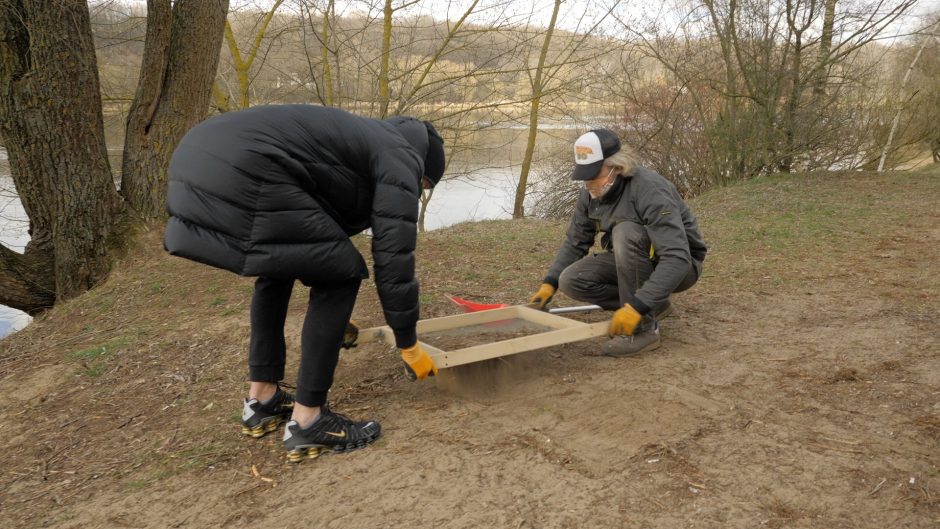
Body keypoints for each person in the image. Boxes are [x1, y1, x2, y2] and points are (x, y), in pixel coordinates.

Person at [164, 104, 444, 462]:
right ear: (425, 168)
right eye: (422, 186)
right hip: (249, 163)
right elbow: (394, 257)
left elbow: (316, 236)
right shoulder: (402, 155)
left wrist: (335, 321)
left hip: (198, 155)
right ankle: (309, 419)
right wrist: (409, 344)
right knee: (342, 274)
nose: (417, 191)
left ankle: (262, 399)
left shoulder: (363, 140)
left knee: (277, 266)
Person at [529, 129, 707, 356]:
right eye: (585, 175)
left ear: (617, 167)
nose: (589, 183)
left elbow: (677, 258)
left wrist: (636, 307)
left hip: (681, 267)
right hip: (634, 261)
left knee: (625, 232)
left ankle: (643, 330)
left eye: (594, 173)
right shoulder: (591, 194)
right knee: (572, 280)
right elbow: (576, 240)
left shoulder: (650, 189)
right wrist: (550, 282)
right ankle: (655, 302)